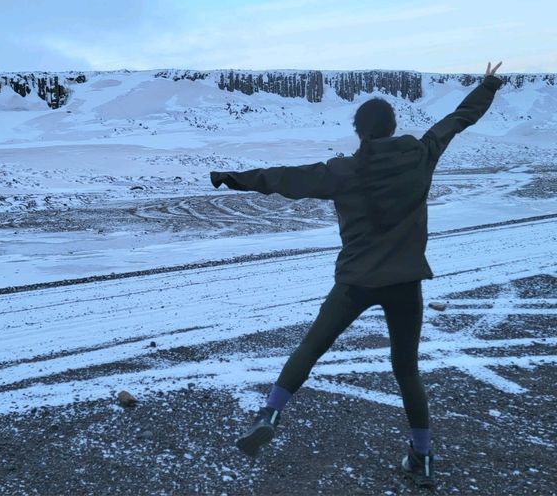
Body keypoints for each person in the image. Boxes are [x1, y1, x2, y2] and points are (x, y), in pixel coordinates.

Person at [209, 62, 504, 489]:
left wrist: (230, 179)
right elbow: (458, 119)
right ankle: (420, 458)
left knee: (311, 347)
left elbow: (284, 179)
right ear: (392, 126)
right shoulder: (421, 155)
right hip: (404, 282)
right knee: (407, 369)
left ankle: (270, 413)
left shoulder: (344, 170)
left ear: (359, 131)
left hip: (355, 282)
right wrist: (489, 83)